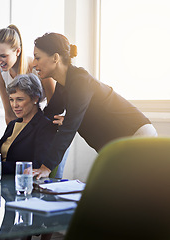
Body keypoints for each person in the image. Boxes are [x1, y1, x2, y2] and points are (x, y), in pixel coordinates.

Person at [32, 32, 158, 179]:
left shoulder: (80, 81)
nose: (34, 64)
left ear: (55, 58)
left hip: (136, 134)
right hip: (117, 144)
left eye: (37, 57)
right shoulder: (63, 85)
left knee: (130, 193)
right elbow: (49, 116)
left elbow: (69, 128)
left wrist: (46, 167)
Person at [0, 25, 68, 178]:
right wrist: (15, 141)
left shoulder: (38, 68)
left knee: (49, 176)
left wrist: (37, 130)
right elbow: (9, 113)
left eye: (3, 56)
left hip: (47, 127)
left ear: (17, 51)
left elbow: (54, 107)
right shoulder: (0, 74)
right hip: (27, 123)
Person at [0, 73, 57, 174]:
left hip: (22, 183)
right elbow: (4, 157)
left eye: (20, 99)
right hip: (1, 179)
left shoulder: (45, 126)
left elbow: (37, 165)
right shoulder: (13, 124)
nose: (14, 105)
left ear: (35, 98)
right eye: (11, 100)